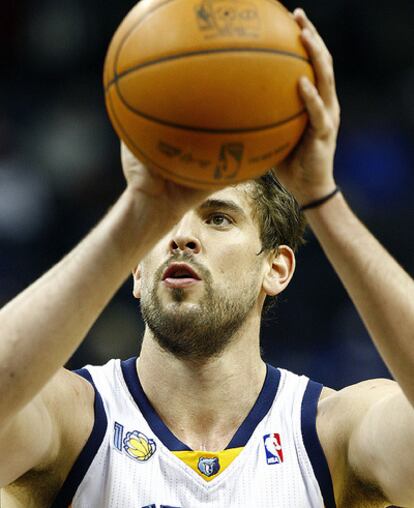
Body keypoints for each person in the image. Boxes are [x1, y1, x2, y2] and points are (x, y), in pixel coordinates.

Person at [0, 8, 413, 508]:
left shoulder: (333, 435)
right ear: (134, 268)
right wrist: (138, 213)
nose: (182, 236)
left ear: (276, 268)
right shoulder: (75, 419)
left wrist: (321, 198)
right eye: (164, 224)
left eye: (218, 218)